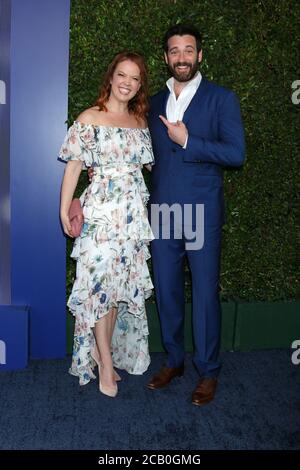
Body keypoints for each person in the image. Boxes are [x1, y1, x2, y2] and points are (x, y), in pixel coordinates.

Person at [146, 24, 245, 406]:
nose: (182, 57)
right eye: (175, 51)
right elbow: (148, 155)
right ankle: (174, 360)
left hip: (201, 212)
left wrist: (188, 141)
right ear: (166, 57)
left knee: (204, 294)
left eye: (189, 50)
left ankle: (208, 370)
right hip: (164, 211)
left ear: (200, 56)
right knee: (168, 291)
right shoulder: (153, 102)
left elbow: (236, 154)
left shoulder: (222, 99)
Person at [59, 51, 154, 397]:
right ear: (111, 78)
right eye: (122, 76)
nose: (127, 83)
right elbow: (73, 167)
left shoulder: (141, 124)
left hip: (131, 220)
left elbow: (151, 169)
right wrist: (63, 209)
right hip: (100, 214)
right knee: (99, 288)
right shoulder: (89, 118)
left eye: (135, 78)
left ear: (139, 85)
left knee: (115, 292)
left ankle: (103, 355)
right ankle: (107, 367)